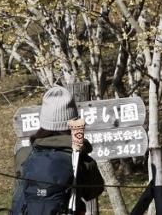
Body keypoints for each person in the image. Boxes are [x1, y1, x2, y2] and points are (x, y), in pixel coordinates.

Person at [10, 86, 105, 215]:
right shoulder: (82, 162)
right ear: (73, 123)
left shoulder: (23, 155)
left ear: (43, 121)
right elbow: (95, 191)